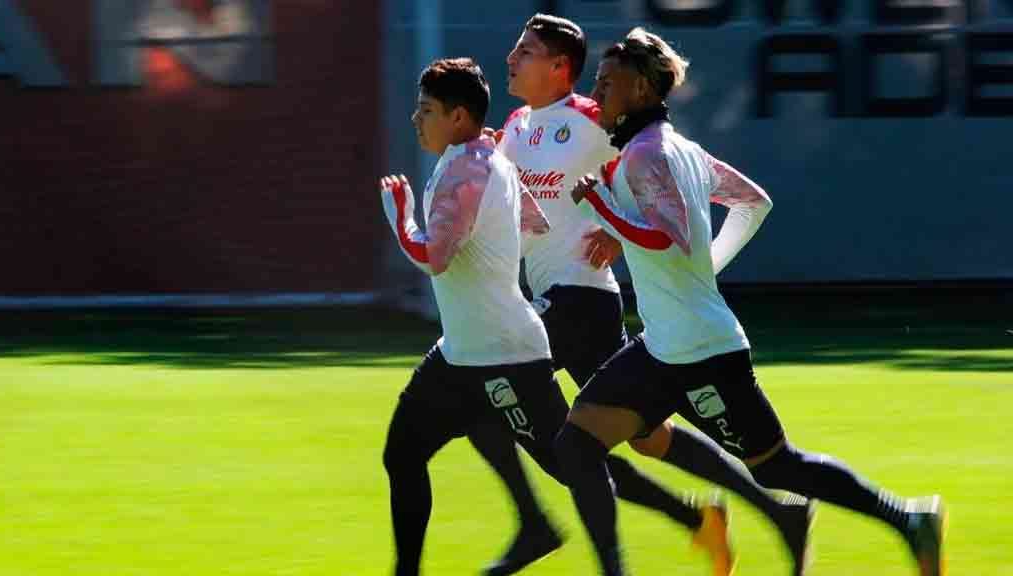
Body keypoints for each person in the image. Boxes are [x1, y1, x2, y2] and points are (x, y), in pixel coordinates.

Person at [554, 27, 948, 576]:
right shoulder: (674, 148)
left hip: (701, 353)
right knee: (574, 446)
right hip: (664, 347)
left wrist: (603, 208)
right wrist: (699, 271)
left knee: (776, 466)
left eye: (608, 82)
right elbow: (751, 204)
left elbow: (670, 240)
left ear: (642, 89)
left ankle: (908, 519)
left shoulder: (649, 156)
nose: (597, 92)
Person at [469, 14, 812, 576]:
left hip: (579, 296)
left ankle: (539, 526)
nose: (510, 58)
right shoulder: (514, 125)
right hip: (563, 301)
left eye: (524, 51)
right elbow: (519, 203)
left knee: (495, 392)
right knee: (646, 436)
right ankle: (751, 513)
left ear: (559, 68)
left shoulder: (590, 119)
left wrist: (614, 226)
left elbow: (640, 169)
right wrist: (487, 156)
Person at [379, 56, 564, 576]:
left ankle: (689, 514)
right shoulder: (483, 156)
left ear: (458, 117)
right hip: (463, 352)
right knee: (406, 452)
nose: (417, 119)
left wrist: (401, 215)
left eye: (427, 110)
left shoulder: (468, 167)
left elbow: (432, 256)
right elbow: (534, 223)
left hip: (504, 353)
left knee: (576, 466)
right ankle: (532, 529)